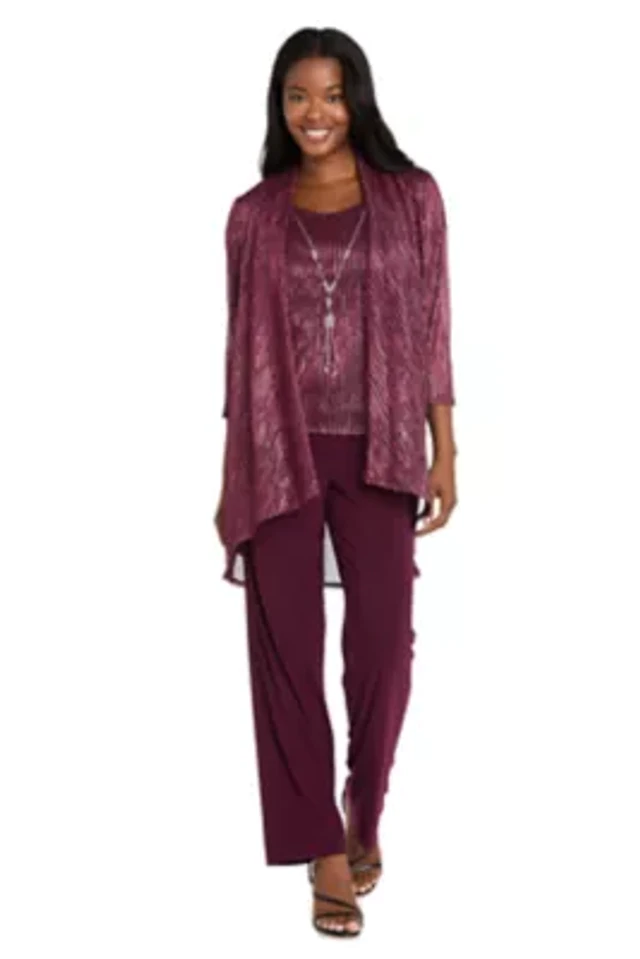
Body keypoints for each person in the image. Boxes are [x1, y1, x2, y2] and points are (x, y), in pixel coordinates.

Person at [214, 26, 457, 938]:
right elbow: (239, 354)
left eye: (330, 94)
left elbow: (433, 325)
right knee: (285, 649)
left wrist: (445, 447)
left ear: (357, 98)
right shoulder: (252, 214)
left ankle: (364, 802)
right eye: (296, 96)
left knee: (384, 648)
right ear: (279, 106)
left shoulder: (413, 197)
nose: (314, 113)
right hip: (277, 449)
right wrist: (230, 476)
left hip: (381, 446)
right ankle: (321, 849)